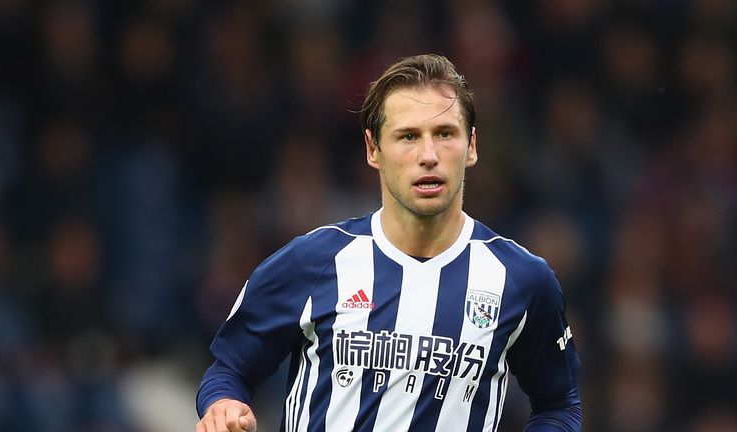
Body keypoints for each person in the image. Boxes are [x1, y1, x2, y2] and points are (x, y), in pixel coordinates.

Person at [196, 54, 582, 432]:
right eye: (408, 137)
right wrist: (223, 406)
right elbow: (230, 369)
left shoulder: (521, 280)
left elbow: (559, 404)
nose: (428, 156)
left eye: (445, 134)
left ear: (472, 146)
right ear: (373, 149)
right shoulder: (312, 263)